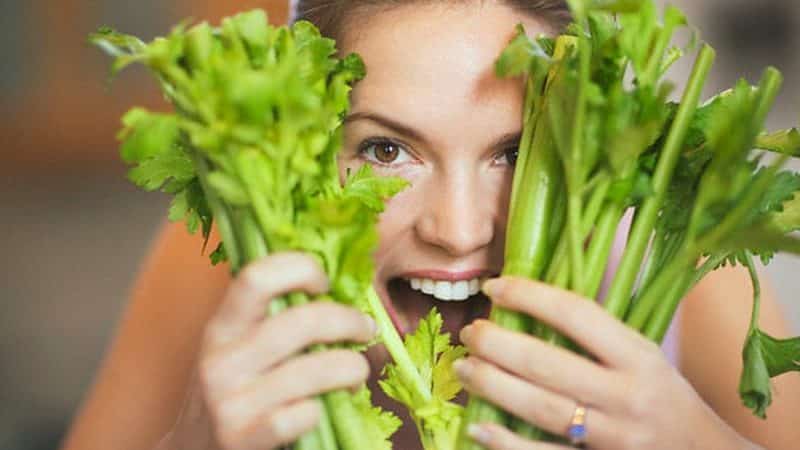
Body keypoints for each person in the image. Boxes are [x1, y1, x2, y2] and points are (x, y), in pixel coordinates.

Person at [60, 1, 800, 449]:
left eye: (513, 153)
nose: (458, 229)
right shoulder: (227, 257)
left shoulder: (681, 275)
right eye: (386, 149)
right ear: (301, 149)